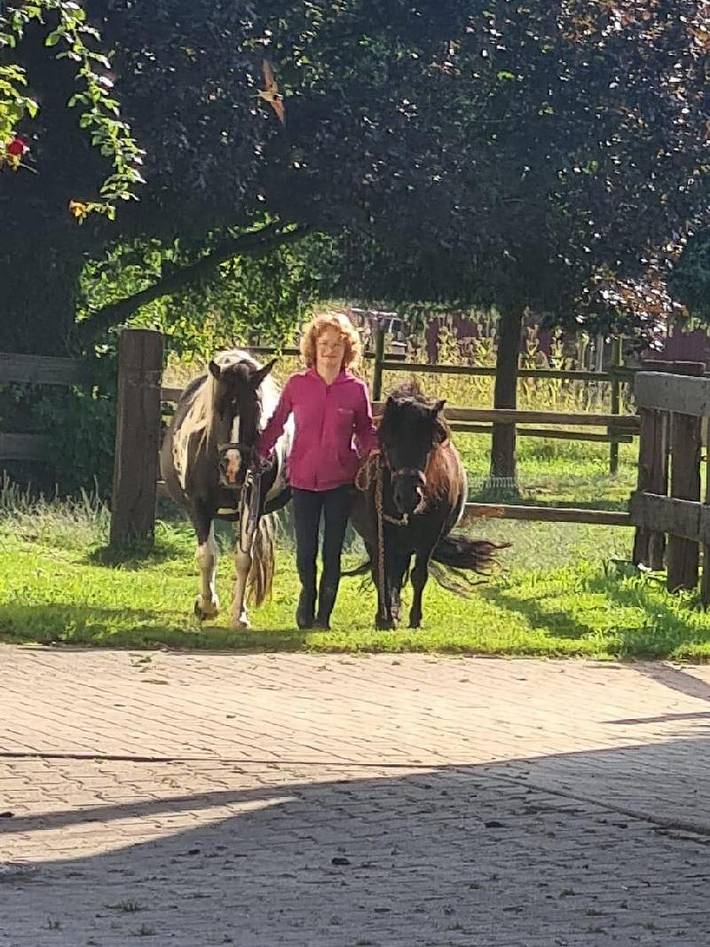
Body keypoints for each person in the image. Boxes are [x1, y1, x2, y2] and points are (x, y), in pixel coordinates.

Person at [256, 310, 378, 630]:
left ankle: (325, 614)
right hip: (303, 479)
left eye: (337, 345)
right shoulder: (297, 385)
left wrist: (375, 452)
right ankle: (307, 597)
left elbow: (364, 430)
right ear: (313, 347)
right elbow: (277, 424)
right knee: (305, 550)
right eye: (324, 343)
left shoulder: (355, 389)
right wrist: (259, 452)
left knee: (332, 551)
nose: (330, 350)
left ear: (347, 349)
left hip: (340, 481)